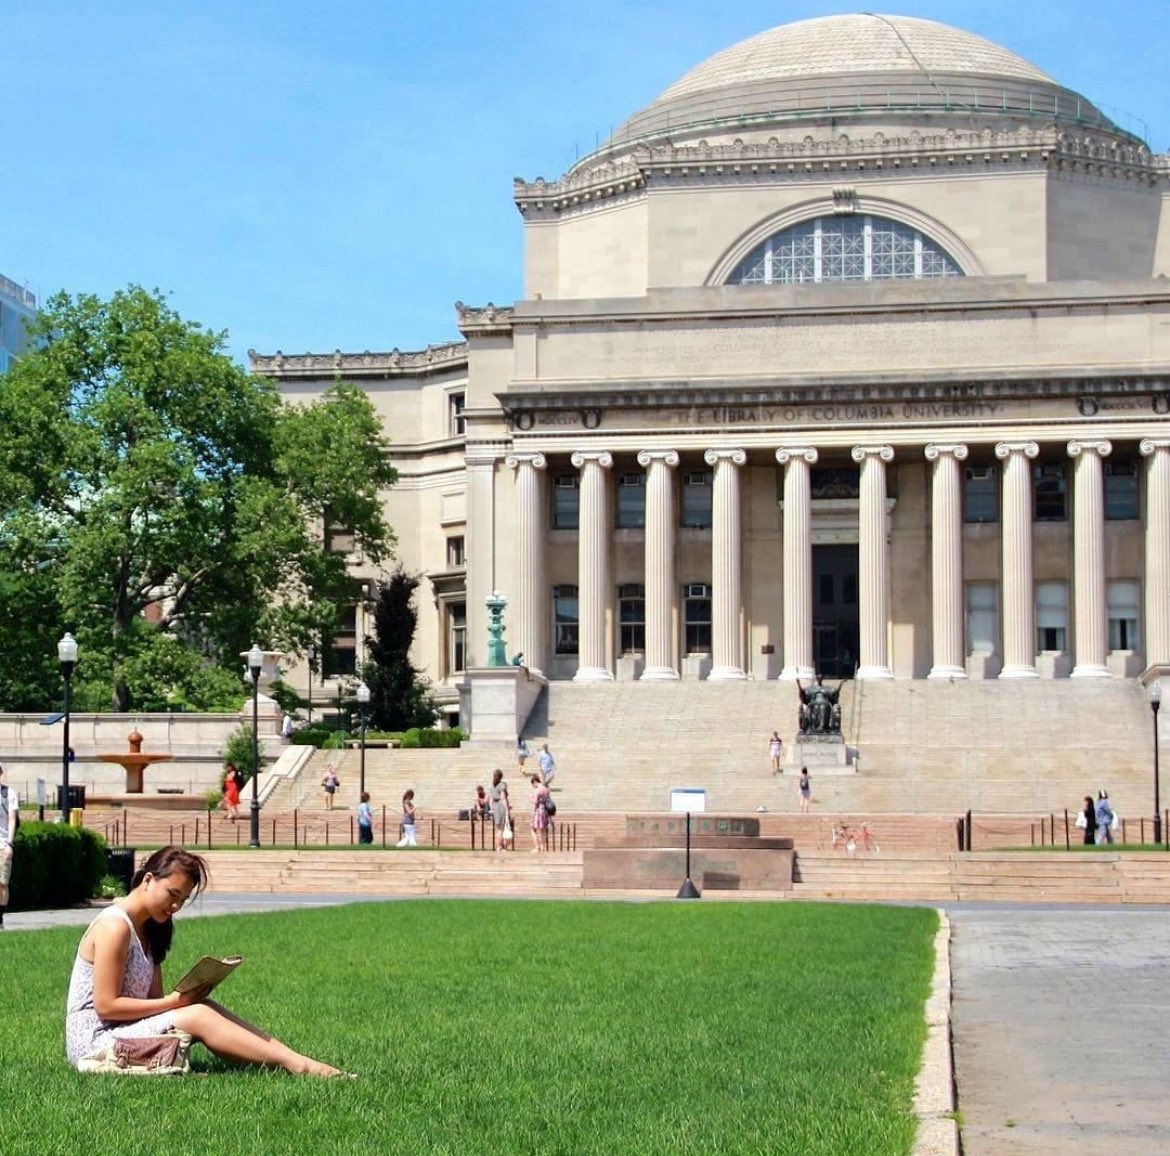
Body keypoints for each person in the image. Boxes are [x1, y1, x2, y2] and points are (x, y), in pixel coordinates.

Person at [65, 845, 346, 1076]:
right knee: (196, 1013)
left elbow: (152, 1002)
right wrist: (177, 1002)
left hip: (122, 1031)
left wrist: (187, 996)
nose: (175, 906)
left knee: (202, 1006)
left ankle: (293, 1059)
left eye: (183, 900)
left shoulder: (152, 927)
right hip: (93, 1042)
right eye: (172, 895)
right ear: (148, 880)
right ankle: (299, 1066)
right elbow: (107, 1006)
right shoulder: (116, 926)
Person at [0, 763, 17, 930]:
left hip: (2, 844)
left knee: (2, 883)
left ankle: (0, 918)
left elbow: (12, 819)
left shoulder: (8, 793)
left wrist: (9, 844)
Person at [489, 769, 511, 852]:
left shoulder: (492, 786)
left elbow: (490, 800)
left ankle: (499, 846)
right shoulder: (502, 785)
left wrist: (492, 809)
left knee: (499, 829)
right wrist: (507, 810)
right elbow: (503, 798)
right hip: (501, 806)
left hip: (495, 806)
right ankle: (500, 847)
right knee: (501, 829)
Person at [530, 775, 551, 852]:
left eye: (533, 784)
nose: (533, 786)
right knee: (543, 830)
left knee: (533, 829)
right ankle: (543, 847)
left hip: (538, 811)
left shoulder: (537, 790)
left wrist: (530, 798)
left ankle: (537, 847)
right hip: (545, 811)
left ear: (535, 782)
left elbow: (535, 803)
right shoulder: (546, 789)